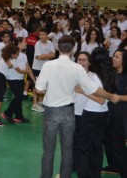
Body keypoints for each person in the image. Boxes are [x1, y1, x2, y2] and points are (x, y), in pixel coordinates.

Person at [35, 35, 118, 178]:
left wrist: (49, 89)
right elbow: (94, 89)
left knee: (48, 151)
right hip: (69, 113)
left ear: (58, 48)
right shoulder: (77, 69)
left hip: (51, 112)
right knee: (68, 150)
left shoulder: (48, 65)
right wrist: (111, 96)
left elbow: (38, 90)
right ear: (73, 50)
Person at [74, 48, 115, 178]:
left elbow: (101, 100)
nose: (81, 62)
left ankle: (85, 174)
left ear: (91, 62)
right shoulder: (102, 75)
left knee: (85, 147)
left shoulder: (94, 77)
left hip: (91, 114)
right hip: (95, 114)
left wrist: (84, 91)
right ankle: (93, 174)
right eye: (79, 59)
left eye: (85, 59)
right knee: (94, 146)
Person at [102, 49, 127, 177]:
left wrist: (120, 97)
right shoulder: (110, 74)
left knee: (118, 143)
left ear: (123, 61)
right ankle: (114, 165)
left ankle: (124, 170)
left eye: (116, 57)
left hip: (121, 115)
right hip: (109, 113)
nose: (113, 58)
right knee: (108, 141)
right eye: (113, 56)